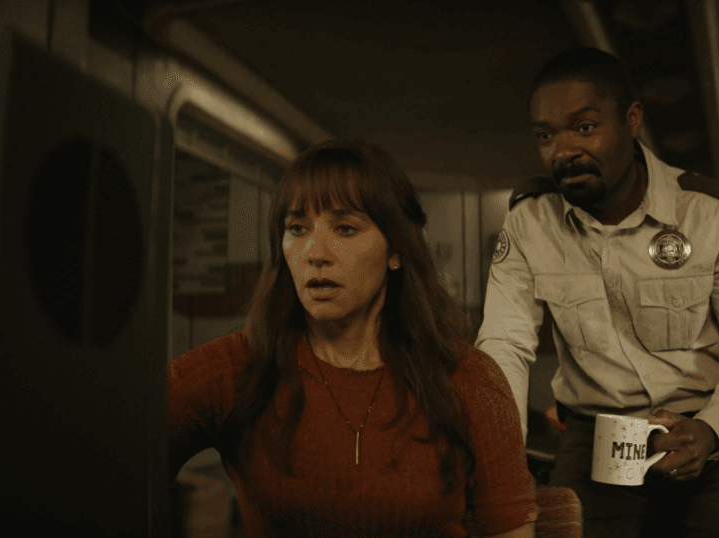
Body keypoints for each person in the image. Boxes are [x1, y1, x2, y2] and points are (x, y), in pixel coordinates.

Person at [475, 47, 719, 537]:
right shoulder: (528, 223)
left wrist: (712, 429)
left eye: (584, 127)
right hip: (598, 441)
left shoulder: (714, 215)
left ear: (632, 120)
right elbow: (504, 345)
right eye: (545, 136)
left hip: (709, 430)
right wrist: (506, 461)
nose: (563, 151)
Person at [168, 139, 538, 537]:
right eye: (297, 228)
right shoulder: (235, 370)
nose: (315, 252)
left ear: (396, 249)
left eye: (345, 229)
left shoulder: (469, 380)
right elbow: (121, 457)